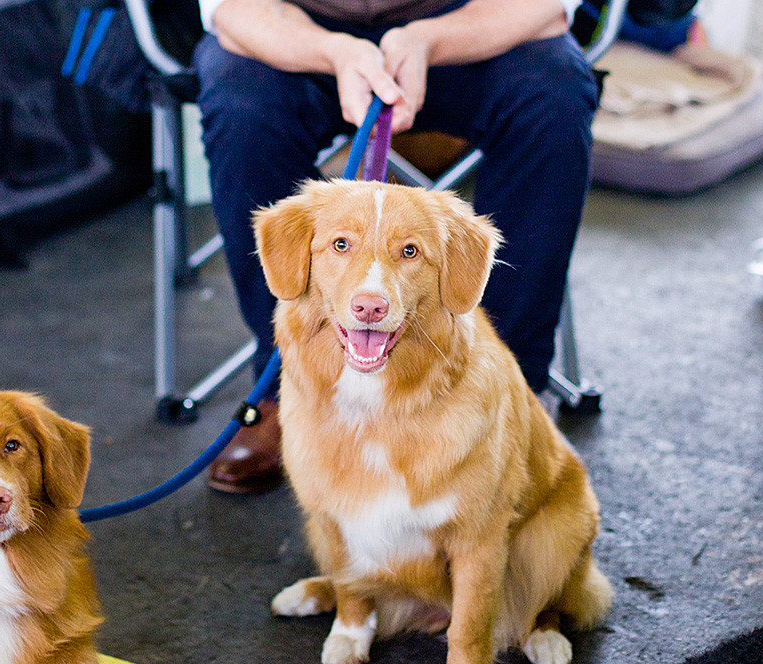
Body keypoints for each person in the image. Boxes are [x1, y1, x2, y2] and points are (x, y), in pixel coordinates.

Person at [194, 0, 599, 493]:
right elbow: (236, 11)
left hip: (472, 26)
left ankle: (508, 394)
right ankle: (286, 391)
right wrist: (333, 50)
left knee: (553, 95)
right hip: (296, 33)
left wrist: (428, 39)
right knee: (243, 106)